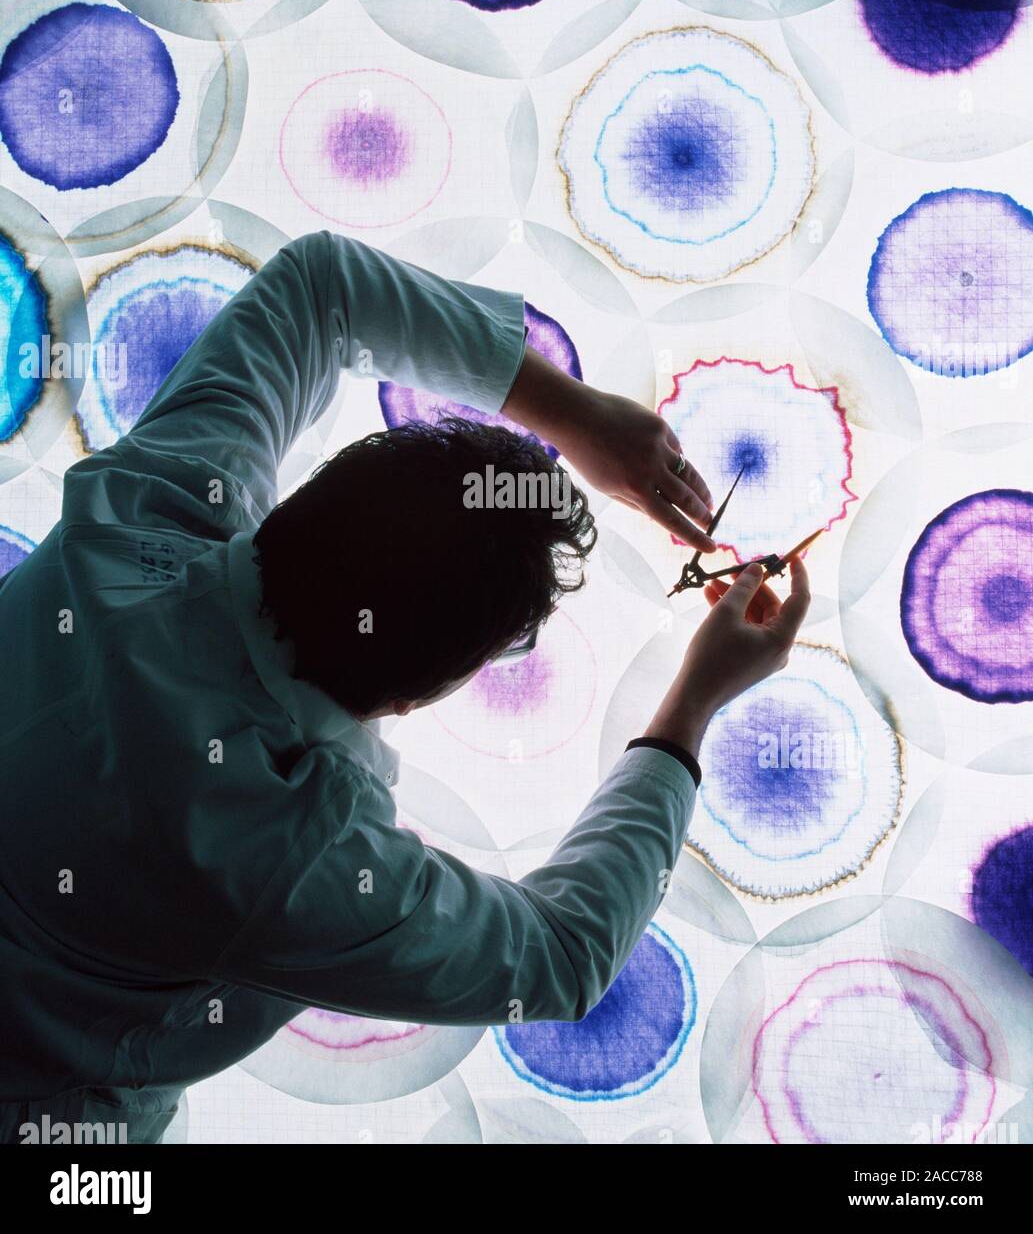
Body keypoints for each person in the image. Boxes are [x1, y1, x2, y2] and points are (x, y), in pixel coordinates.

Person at [0, 232, 809, 1143]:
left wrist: (572, 414)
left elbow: (320, 284)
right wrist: (692, 706)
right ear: (419, 697)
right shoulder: (293, 861)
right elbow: (559, 957)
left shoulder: (148, 504)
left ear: (311, 490)